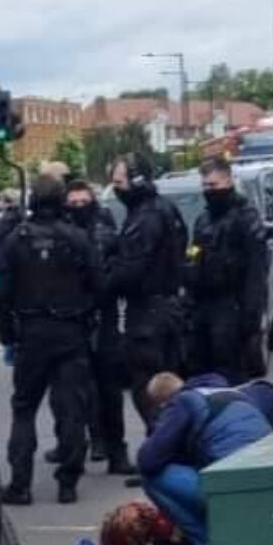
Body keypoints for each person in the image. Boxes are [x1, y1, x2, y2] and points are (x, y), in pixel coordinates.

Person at [133, 372, 273, 545]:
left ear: (164, 404)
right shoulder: (236, 393)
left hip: (236, 490)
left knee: (153, 478)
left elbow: (148, 461)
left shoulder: (183, 403)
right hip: (272, 485)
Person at [0, 175, 102, 506]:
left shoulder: (15, 241)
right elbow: (98, 285)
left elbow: (1, 295)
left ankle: (20, 484)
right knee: (71, 409)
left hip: (32, 333)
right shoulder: (78, 238)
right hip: (70, 332)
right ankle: (68, 482)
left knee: (24, 408)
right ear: (61, 201)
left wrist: (7, 335)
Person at [106, 153, 187, 428]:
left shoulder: (145, 217)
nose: (115, 188)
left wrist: (106, 278)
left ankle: (163, 450)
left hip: (148, 315)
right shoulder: (165, 208)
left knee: (148, 390)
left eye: (119, 181)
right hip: (170, 308)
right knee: (170, 386)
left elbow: (132, 270)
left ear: (136, 180)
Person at [62, 179, 136, 475]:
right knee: (75, 392)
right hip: (73, 321)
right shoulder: (63, 236)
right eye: (74, 203)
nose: (79, 208)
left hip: (102, 320)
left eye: (84, 202)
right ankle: (86, 445)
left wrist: (102, 286)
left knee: (109, 389)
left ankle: (115, 450)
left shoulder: (106, 234)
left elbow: (118, 272)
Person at [183, 157, 270, 383]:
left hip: (232, 304)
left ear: (229, 181)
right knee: (202, 372)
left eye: (213, 185)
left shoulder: (245, 218)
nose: (208, 191)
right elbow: (193, 256)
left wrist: (251, 315)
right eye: (205, 186)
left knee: (232, 373)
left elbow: (256, 270)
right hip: (204, 306)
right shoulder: (203, 221)